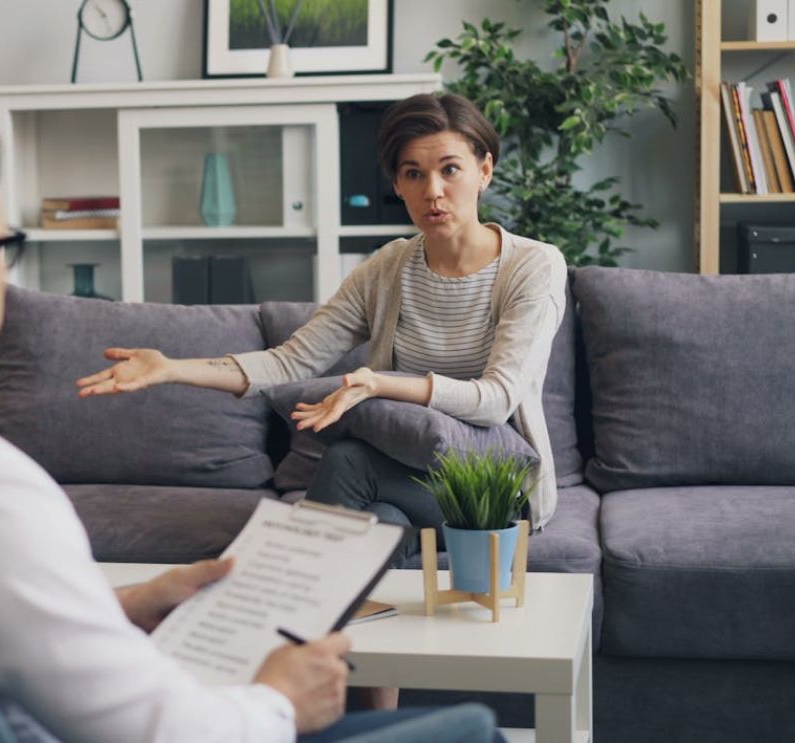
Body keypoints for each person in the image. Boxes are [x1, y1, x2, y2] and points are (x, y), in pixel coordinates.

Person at [0, 106, 500, 743]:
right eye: (4, 245)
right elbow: (159, 729)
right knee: (467, 730)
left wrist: (127, 600)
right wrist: (278, 699)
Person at [77, 92, 567, 548]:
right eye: (414, 174)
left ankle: (280, 605)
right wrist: (172, 369)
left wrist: (380, 384)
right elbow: (290, 361)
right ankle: (341, 620)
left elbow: (496, 399)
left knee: (350, 463)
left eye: (450, 170)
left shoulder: (533, 265)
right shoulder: (388, 268)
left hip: (496, 489)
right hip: (409, 475)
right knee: (382, 526)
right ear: (397, 184)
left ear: (484, 170)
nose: (433, 191)